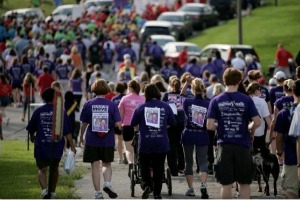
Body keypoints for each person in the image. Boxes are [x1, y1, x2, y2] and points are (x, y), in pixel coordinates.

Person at [206, 68, 261, 199]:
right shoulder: (246, 99)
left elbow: (209, 126)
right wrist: (250, 128)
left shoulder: (216, 100)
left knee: (226, 184)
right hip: (243, 144)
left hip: (224, 144)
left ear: (224, 80)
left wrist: (220, 126)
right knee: (244, 183)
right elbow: (257, 122)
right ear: (239, 80)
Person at [26, 88, 76, 199]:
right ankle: (52, 192)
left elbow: (31, 128)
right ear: (55, 98)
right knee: (54, 169)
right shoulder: (61, 112)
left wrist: (32, 136)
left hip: (41, 145)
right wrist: (72, 146)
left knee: (42, 169)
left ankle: (44, 190)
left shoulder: (38, 111)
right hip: (56, 145)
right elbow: (67, 132)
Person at [131, 83, 176, 199]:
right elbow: (173, 123)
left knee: (143, 165)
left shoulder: (141, 107)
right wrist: (163, 126)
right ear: (157, 93)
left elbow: (133, 123)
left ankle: (146, 185)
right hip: (161, 142)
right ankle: (157, 193)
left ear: (145, 94)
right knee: (159, 167)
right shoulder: (165, 106)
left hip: (146, 142)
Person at [79, 79, 121, 199]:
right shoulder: (112, 104)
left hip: (92, 139)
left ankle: (98, 193)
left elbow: (84, 123)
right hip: (107, 140)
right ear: (107, 90)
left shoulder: (88, 104)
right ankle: (107, 183)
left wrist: (81, 136)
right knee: (106, 164)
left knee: (95, 165)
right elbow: (118, 123)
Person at [181, 76, 210, 198]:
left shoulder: (187, 101)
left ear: (192, 89)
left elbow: (181, 95)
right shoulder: (208, 103)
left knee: (188, 162)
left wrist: (186, 83)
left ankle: (191, 188)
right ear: (203, 89)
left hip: (189, 133)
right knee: (203, 161)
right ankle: (203, 184)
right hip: (202, 133)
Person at [274, 79, 300, 199]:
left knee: (291, 190)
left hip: (291, 157)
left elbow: (279, 137)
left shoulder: (284, 113)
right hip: (292, 156)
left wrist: (279, 152)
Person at [118, 80, 145, 177]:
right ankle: (139, 164)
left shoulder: (124, 98)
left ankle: (131, 164)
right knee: (139, 148)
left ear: (130, 88)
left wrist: (119, 125)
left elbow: (120, 114)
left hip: (127, 125)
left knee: (128, 149)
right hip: (139, 126)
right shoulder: (143, 99)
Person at [162, 77, 186, 176]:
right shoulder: (182, 96)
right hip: (181, 123)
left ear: (170, 85)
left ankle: (173, 169)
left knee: (171, 146)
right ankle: (181, 166)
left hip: (170, 124)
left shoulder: (166, 95)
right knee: (180, 145)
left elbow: (162, 108)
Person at [246, 82, 272, 153]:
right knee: (259, 156)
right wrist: (272, 134)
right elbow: (268, 120)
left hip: (247, 132)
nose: (261, 92)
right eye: (260, 90)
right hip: (260, 133)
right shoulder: (262, 102)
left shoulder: (245, 101)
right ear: (256, 91)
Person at [111, 82, 128, 164]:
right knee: (128, 140)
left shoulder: (114, 99)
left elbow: (112, 111)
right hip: (126, 121)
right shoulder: (127, 98)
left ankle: (120, 158)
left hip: (117, 122)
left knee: (119, 139)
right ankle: (126, 154)